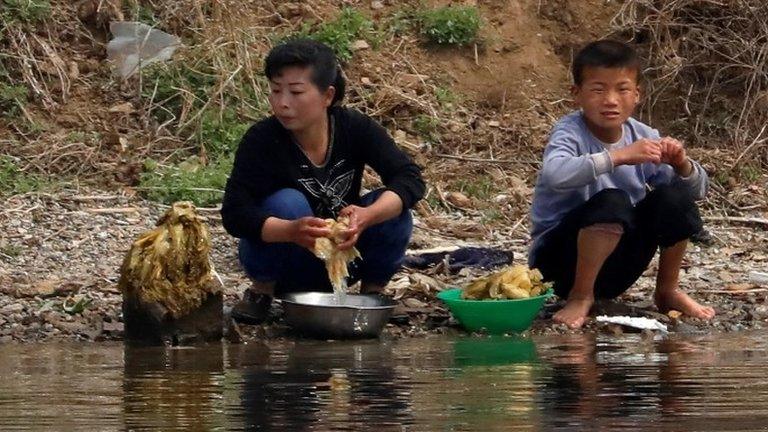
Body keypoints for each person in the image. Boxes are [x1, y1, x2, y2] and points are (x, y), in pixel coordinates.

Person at [221, 39, 425, 324]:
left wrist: (367, 216)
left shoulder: (354, 128)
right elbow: (234, 213)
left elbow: (410, 178)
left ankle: (373, 293)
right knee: (287, 203)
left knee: (392, 207)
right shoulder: (262, 140)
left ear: (327, 96)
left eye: (295, 92)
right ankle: (261, 293)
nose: (282, 103)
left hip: (344, 257)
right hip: (286, 260)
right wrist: (291, 231)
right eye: (276, 91)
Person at [528, 39, 716, 329]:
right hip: (556, 266)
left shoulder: (642, 134)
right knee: (612, 200)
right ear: (576, 94)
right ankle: (580, 296)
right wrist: (618, 157)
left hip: (618, 264)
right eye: (598, 89)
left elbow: (695, 194)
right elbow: (555, 174)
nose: (611, 100)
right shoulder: (569, 132)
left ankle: (667, 290)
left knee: (672, 197)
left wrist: (681, 164)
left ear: (637, 94)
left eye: (622, 89)